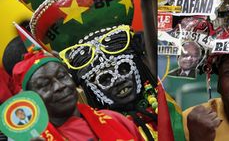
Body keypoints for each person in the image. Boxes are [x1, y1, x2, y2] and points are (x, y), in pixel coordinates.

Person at [12, 51, 144, 140]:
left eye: (61, 76)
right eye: (45, 85)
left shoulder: (114, 119)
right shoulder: (36, 138)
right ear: (31, 99)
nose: (59, 86)